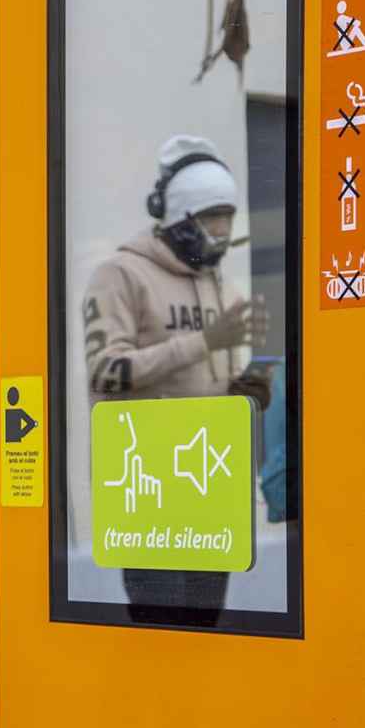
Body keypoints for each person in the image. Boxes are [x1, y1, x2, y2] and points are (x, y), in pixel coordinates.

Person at [83, 135, 268, 623]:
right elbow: (107, 372)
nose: (223, 233)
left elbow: (197, 384)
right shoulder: (120, 274)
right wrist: (206, 342)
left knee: (204, 631)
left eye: (228, 219)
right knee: (161, 634)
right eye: (212, 220)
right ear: (179, 219)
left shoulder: (218, 284)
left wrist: (244, 395)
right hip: (149, 493)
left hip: (209, 491)